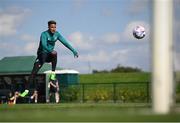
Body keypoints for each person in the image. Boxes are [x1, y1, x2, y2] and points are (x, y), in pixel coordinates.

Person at [20, 20, 78, 97]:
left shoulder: (57, 34)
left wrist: (73, 50)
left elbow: (65, 43)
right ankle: (26, 90)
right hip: (42, 56)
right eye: (52, 27)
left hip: (50, 55)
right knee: (33, 73)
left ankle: (53, 73)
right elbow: (43, 45)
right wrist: (50, 50)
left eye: (55, 27)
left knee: (55, 53)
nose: (53, 29)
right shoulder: (44, 34)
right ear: (48, 27)